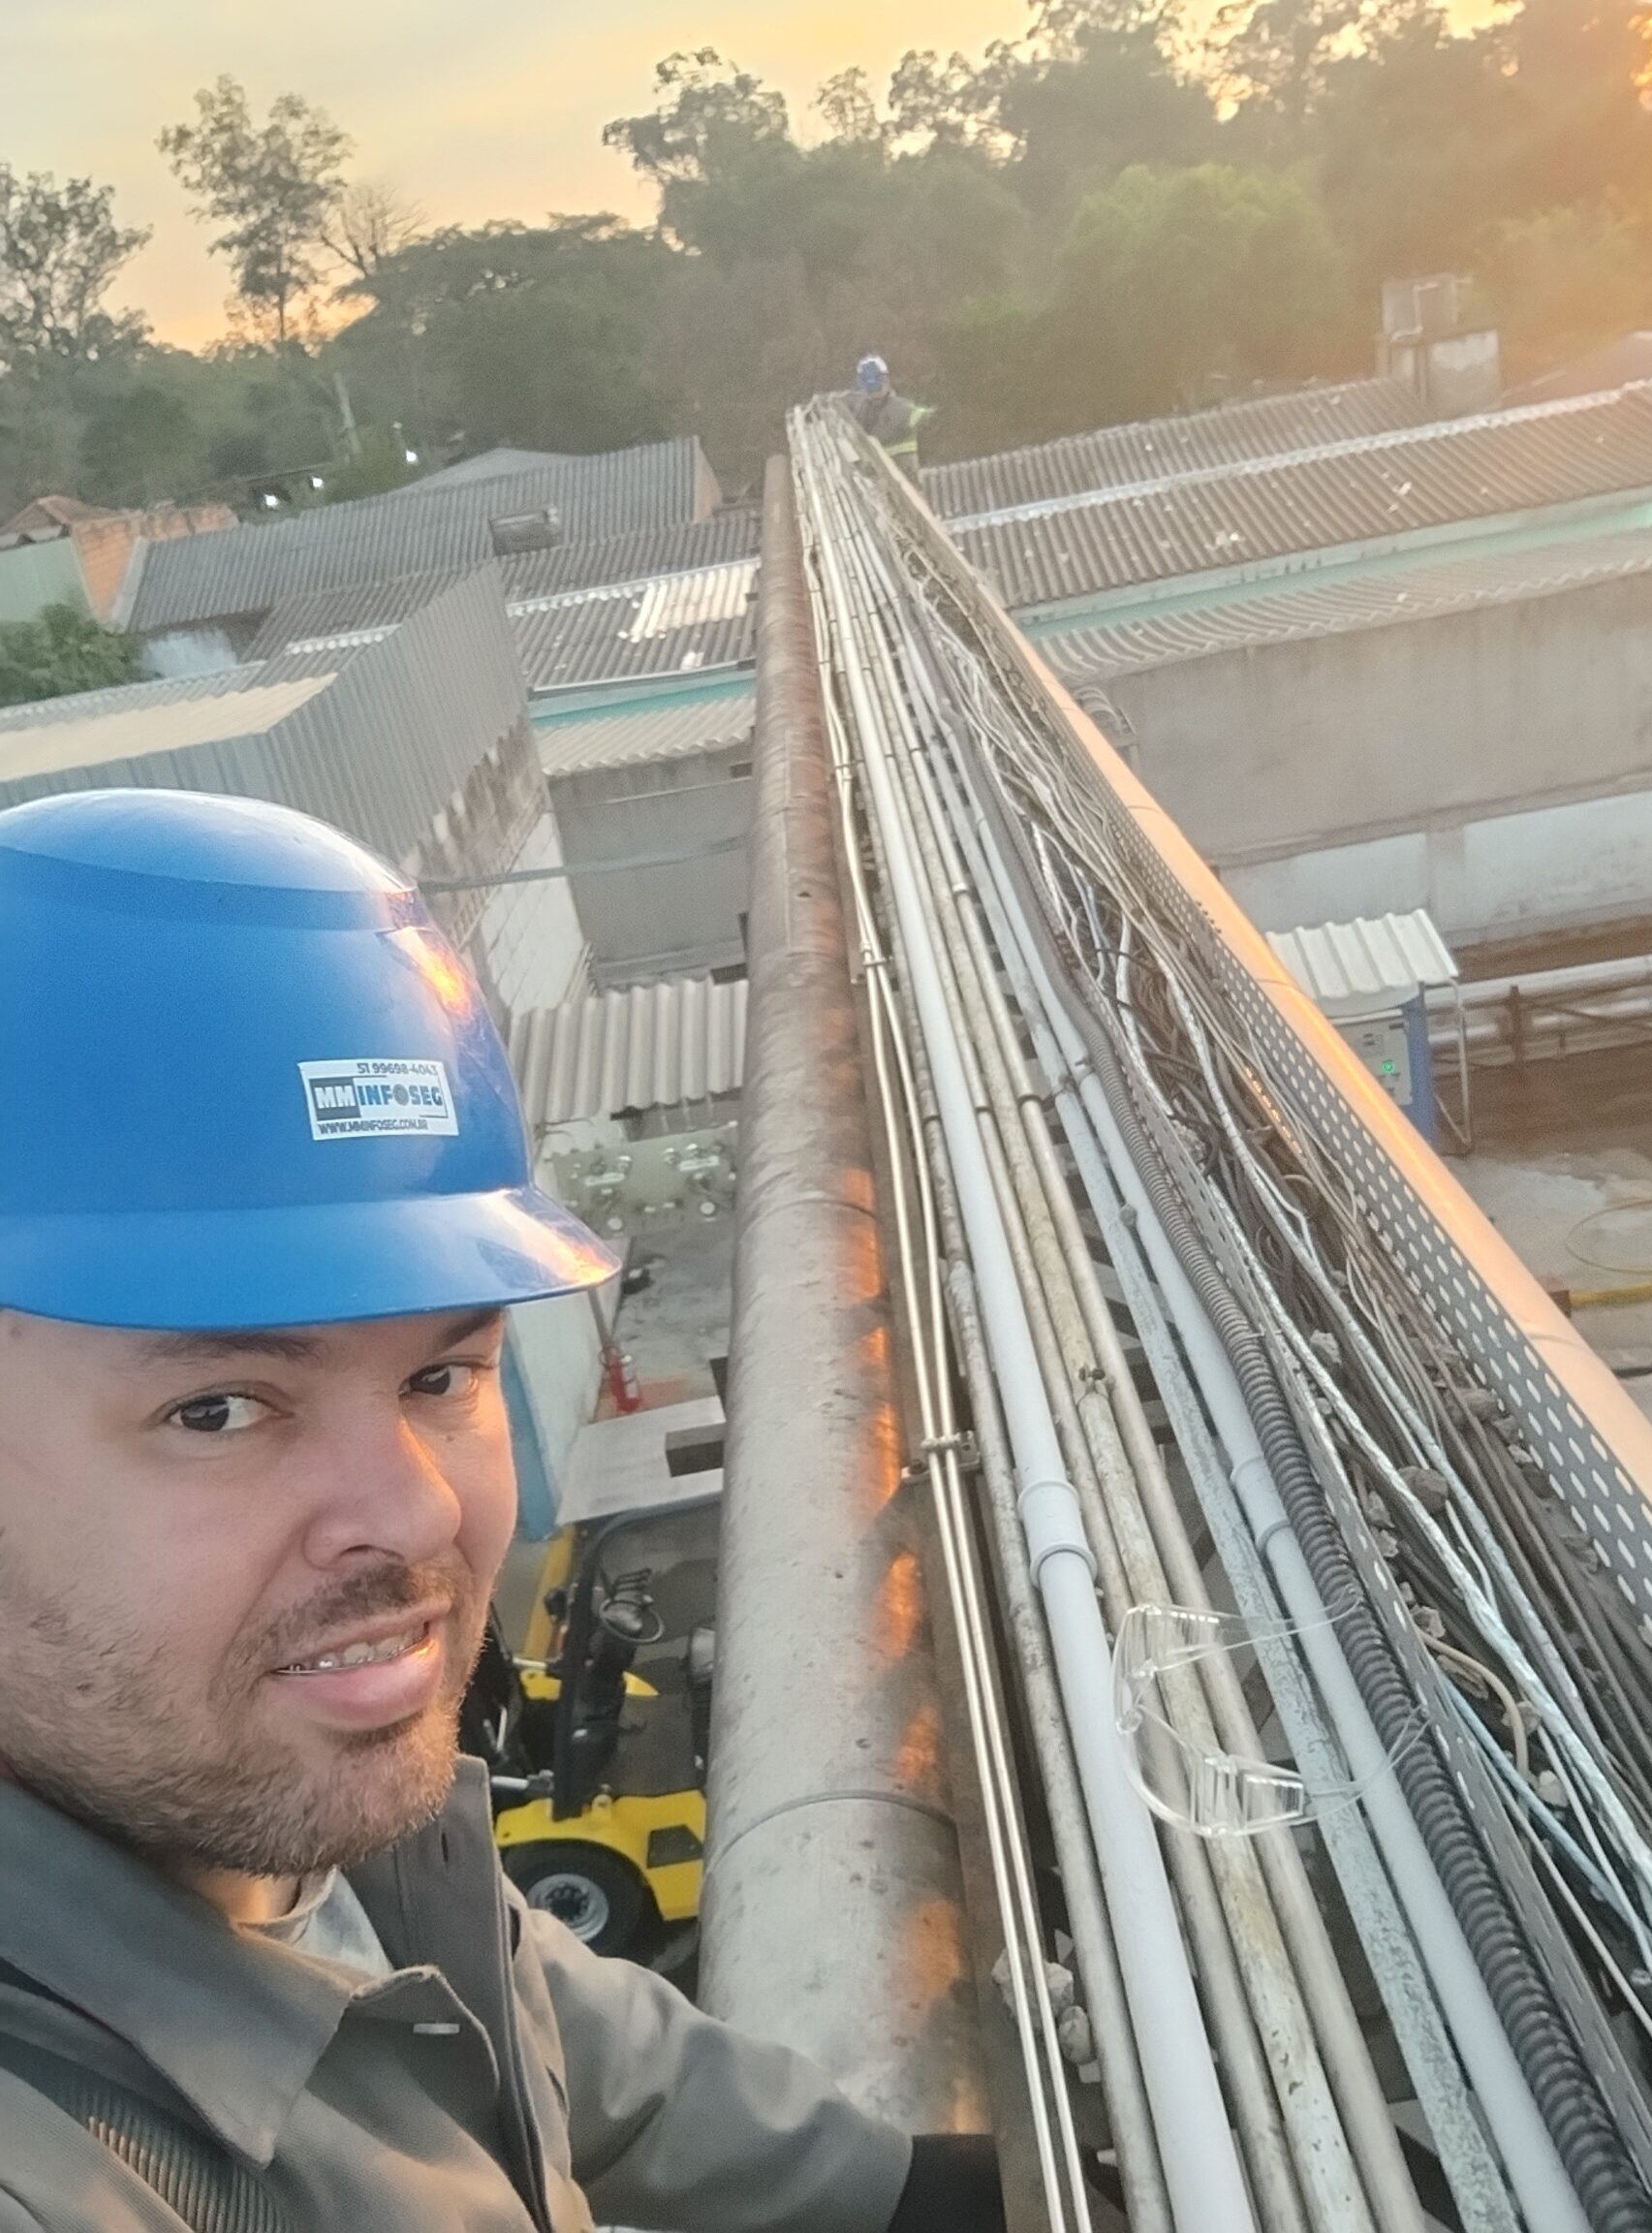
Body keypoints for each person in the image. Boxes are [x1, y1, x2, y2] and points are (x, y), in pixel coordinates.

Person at [0, 788, 1005, 2232]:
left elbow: (583, 2058)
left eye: (442, 1375)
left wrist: (958, 2196)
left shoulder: (314, 1829)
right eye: (218, 1409)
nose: (416, 1517)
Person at [842, 355, 935, 486]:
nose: (874, 393)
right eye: (870, 389)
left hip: (904, 482)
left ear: (886, 381)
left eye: (876, 387)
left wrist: (931, 414)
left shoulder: (901, 408)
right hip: (877, 483)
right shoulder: (861, 411)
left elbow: (927, 417)